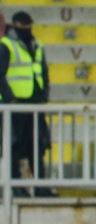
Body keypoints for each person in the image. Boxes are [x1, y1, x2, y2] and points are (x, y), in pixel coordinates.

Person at [0, 11, 51, 195]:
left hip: (35, 104)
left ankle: (40, 188)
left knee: (37, 146)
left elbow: (43, 72)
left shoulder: (37, 44)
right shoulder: (6, 45)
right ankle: (15, 188)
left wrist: (44, 95)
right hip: (15, 106)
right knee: (14, 146)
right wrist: (10, 99)